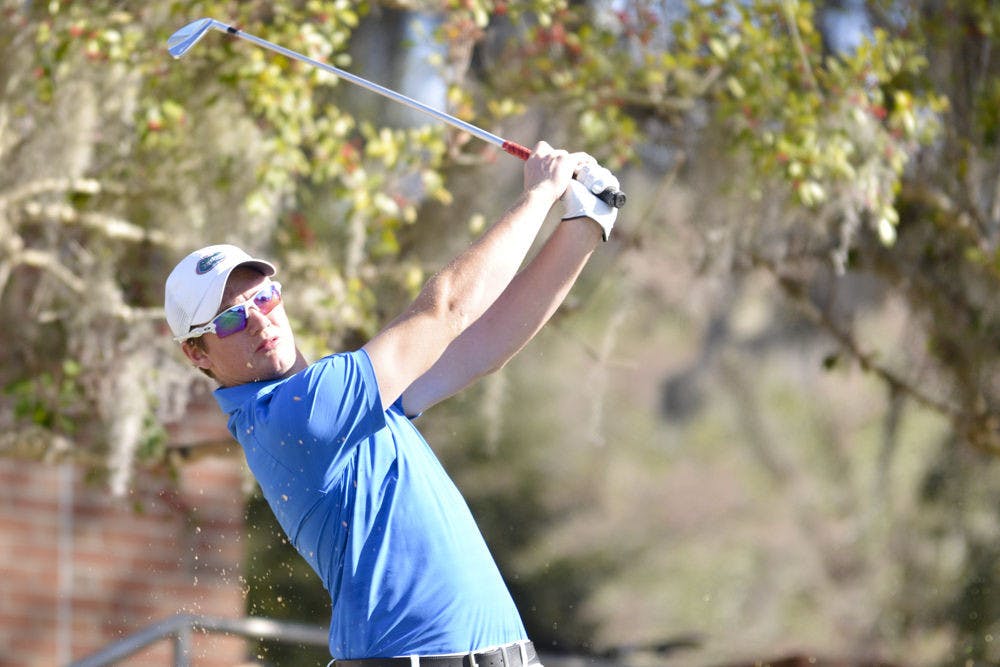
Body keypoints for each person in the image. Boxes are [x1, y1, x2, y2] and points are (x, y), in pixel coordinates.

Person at [164, 142, 620, 666]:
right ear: (196, 353)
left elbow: (482, 346)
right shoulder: (300, 410)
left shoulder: (343, 401)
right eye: (229, 320)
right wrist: (540, 194)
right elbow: (445, 309)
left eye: (264, 297)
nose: (261, 322)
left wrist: (586, 224)